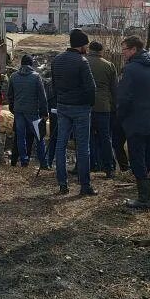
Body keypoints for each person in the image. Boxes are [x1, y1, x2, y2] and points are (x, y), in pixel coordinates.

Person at [116, 36, 150, 209]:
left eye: (124, 49)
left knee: (137, 158)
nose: (122, 53)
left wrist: (120, 118)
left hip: (136, 122)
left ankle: (143, 197)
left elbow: (123, 99)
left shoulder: (130, 70)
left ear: (133, 50)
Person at [50, 28, 97, 196]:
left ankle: (62, 184)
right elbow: (91, 87)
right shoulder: (82, 62)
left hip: (63, 107)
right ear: (81, 45)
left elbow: (53, 85)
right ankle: (85, 186)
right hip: (81, 108)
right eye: (85, 44)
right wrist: (89, 104)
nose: (87, 47)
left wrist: (60, 100)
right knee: (83, 147)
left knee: (60, 145)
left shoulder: (57, 60)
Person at [8, 54, 49, 169]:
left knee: (21, 136)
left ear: (21, 64)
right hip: (33, 112)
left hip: (19, 111)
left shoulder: (13, 76)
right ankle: (44, 163)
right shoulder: (36, 77)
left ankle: (24, 160)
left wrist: (12, 108)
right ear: (31, 64)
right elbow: (42, 97)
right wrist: (44, 112)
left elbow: (10, 95)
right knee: (39, 137)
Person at [86, 41, 118, 179]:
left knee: (86, 137)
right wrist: (114, 106)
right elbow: (114, 89)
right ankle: (109, 168)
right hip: (104, 107)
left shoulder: (84, 62)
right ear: (101, 51)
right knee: (105, 138)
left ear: (89, 49)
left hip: (86, 106)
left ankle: (89, 164)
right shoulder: (109, 65)